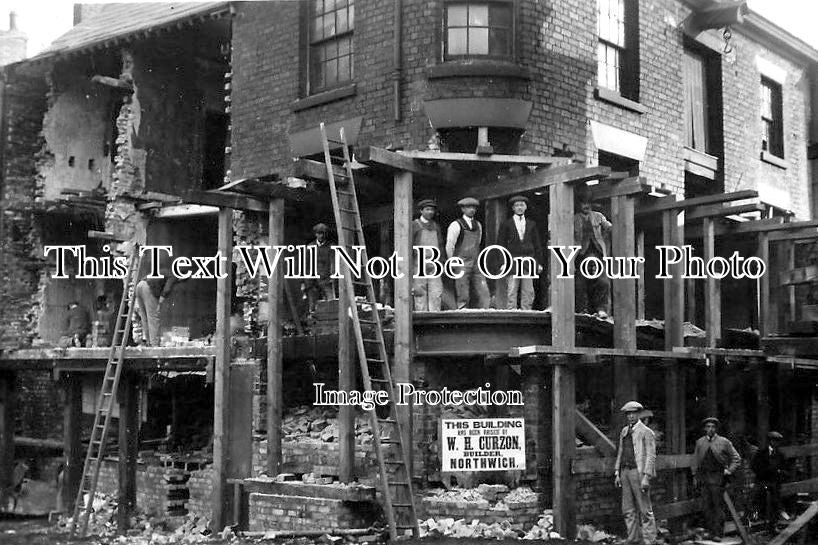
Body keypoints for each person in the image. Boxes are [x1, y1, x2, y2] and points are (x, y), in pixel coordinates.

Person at [691, 417, 742, 541]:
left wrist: (729, 470)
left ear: (716, 428)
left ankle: (718, 533)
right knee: (706, 506)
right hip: (704, 478)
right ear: (704, 428)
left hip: (718, 478)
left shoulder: (724, 442)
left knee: (717, 506)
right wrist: (694, 475)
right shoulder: (700, 442)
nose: (710, 429)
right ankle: (709, 531)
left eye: (713, 427)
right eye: (708, 427)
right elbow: (695, 460)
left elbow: (736, 458)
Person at [614, 401, 657, 545]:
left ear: (638, 414)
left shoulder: (646, 432)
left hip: (638, 473)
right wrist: (617, 472)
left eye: (633, 413)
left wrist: (646, 477)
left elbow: (651, 456)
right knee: (628, 509)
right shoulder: (624, 431)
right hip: (625, 472)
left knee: (645, 509)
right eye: (628, 414)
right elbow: (620, 452)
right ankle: (633, 538)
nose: (631, 416)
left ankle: (649, 540)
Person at [497, 195, 543, 310]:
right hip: (512, 261)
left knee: (528, 290)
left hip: (528, 261)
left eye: (522, 205)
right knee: (512, 288)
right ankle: (511, 311)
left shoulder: (531, 224)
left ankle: (526, 311)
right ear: (513, 208)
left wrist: (539, 263)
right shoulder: (506, 224)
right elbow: (500, 245)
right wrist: (503, 262)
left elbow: (537, 245)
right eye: (517, 205)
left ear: (526, 207)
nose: (519, 208)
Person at [445, 197, 490, 309]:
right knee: (462, 290)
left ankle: (486, 311)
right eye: (469, 207)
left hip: (476, 262)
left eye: (474, 207)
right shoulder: (456, 225)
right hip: (461, 262)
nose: (472, 210)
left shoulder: (478, 225)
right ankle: (462, 311)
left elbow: (478, 242)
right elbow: (450, 245)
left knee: (483, 290)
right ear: (463, 209)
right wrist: (452, 262)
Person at [573, 196, 612, 318]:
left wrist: (610, 226)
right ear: (579, 205)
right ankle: (582, 310)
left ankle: (601, 309)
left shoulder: (598, 216)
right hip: (580, 255)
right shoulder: (574, 218)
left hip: (597, 253)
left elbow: (608, 226)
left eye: (588, 203)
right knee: (580, 283)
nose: (586, 206)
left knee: (603, 282)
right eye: (583, 203)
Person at [412, 199, 444, 311]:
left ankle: (435, 319)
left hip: (434, 263)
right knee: (419, 292)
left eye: (432, 210)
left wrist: (441, 262)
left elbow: (440, 246)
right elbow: (408, 246)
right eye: (427, 209)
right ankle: (422, 318)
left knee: (436, 292)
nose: (430, 212)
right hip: (418, 263)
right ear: (421, 211)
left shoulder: (436, 226)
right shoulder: (414, 225)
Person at [751, 430, 786, 533]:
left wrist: (780, 473)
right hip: (762, 480)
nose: (776, 443)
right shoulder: (761, 453)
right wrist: (763, 472)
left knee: (775, 502)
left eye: (778, 441)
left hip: (774, 482)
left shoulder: (780, 455)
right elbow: (754, 466)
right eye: (774, 441)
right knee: (757, 498)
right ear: (770, 441)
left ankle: (773, 525)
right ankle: (755, 519)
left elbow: (784, 468)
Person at [135, 266, 177, 346]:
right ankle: (154, 345)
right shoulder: (173, 276)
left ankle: (148, 342)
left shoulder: (165, 271)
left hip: (139, 286)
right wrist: (160, 303)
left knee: (145, 318)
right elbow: (167, 289)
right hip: (147, 288)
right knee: (153, 317)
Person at [305, 223, 336, 314]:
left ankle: (330, 319)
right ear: (315, 234)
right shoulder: (310, 247)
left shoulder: (331, 247)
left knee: (330, 301)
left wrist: (333, 275)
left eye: (323, 233)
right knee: (312, 303)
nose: (321, 236)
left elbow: (333, 262)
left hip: (325, 277)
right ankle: (312, 321)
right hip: (312, 278)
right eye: (319, 233)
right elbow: (306, 264)